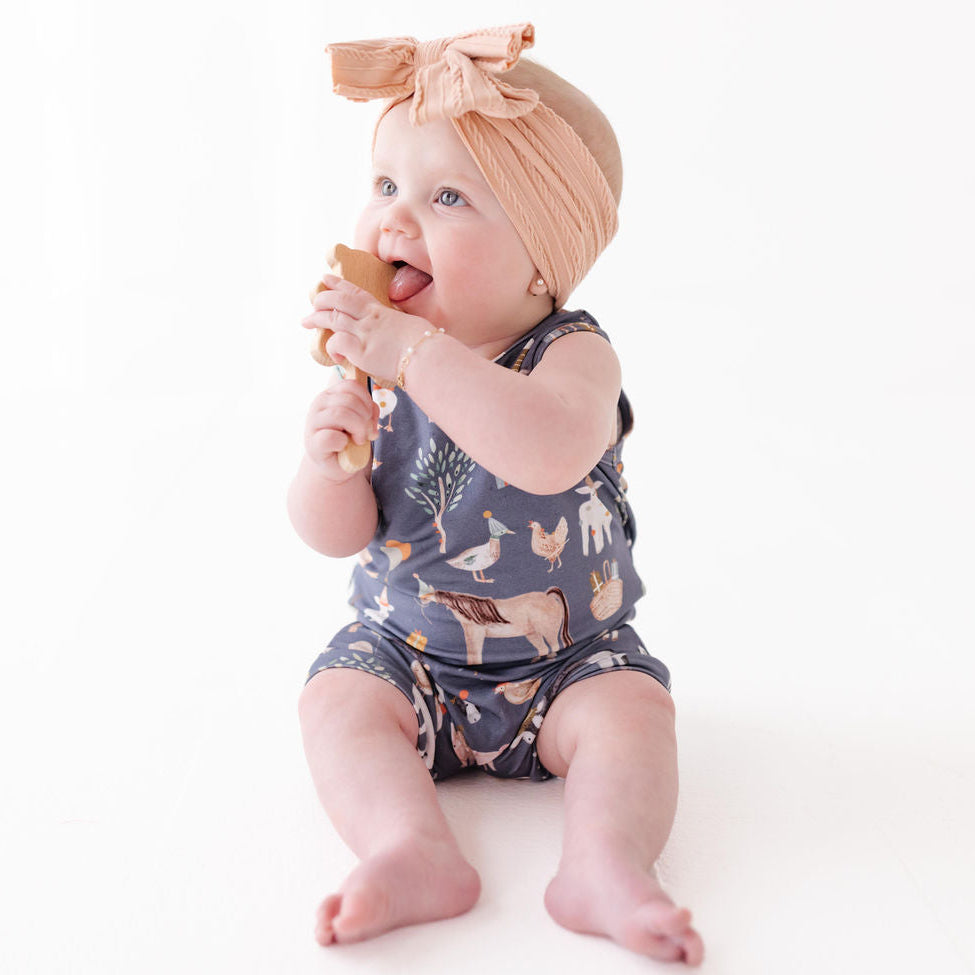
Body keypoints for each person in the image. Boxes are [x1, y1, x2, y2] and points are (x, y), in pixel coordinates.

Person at [288, 24, 704, 966]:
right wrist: (328, 465)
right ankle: (409, 846)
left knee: (633, 716)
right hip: (406, 653)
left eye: (446, 197)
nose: (394, 220)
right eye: (386, 185)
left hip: (569, 659)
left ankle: (605, 862)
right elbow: (333, 535)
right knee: (333, 702)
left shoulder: (571, 352)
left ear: (539, 263)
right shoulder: (376, 367)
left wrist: (412, 355)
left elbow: (552, 451)